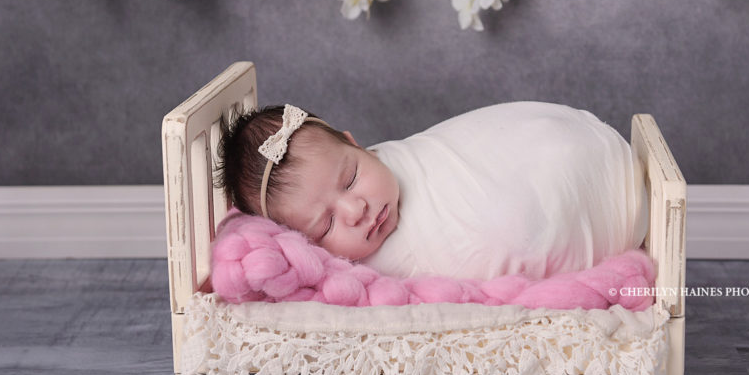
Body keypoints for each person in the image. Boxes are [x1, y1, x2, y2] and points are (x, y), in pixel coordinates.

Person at [217, 102, 647, 280]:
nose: (356, 209)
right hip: (606, 219)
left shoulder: (404, 158)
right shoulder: (359, 272)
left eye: (350, 179)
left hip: (593, 156)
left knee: (544, 151)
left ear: (355, 144)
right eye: (326, 224)